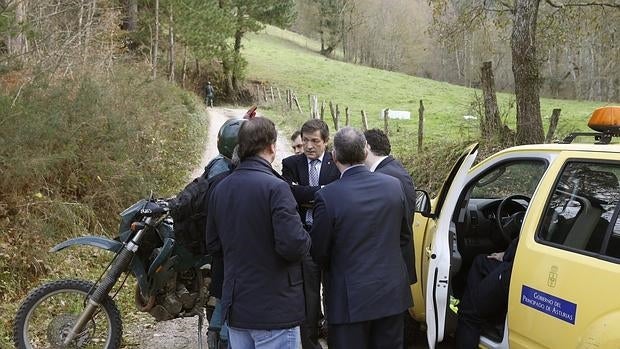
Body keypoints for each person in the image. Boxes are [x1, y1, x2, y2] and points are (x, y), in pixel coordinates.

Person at [206, 117, 311, 349]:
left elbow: (213, 244)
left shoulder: (221, 187)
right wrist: (306, 236)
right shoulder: (277, 187)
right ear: (272, 146)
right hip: (275, 309)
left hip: (237, 309)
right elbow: (293, 246)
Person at [310, 127, 413, 349]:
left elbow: (319, 252)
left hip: (349, 301)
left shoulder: (328, 196)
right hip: (391, 295)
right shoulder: (394, 187)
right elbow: (404, 236)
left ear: (334, 156)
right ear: (365, 152)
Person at [281, 119, 340, 349]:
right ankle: (310, 341)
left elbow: (338, 195)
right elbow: (288, 194)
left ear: (325, 141)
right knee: (309, 294)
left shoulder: (336, 164)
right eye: (305, 140)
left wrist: (305, 194)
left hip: (333, 238)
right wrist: (323, 192)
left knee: (333, 290)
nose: (308, 146)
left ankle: (335, 337)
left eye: (314, 141)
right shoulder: (291, 163)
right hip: (305, 236)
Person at [455, 238, 519, 349]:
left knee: (469, 314)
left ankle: (475, 308)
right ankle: (485, 306)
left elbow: (521, 242)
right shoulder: (556, 223)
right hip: (518, 265)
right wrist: (505, 254)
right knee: (480, 262)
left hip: (514, 271)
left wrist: (506, 256)